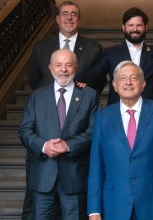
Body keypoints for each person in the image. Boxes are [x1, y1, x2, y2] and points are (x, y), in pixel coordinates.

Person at [87, 61, 153, 220]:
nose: (128, 82)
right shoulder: (102, 118)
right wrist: (94, 210)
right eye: (123, 78)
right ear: (115, 85)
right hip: (115, 203)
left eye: (134, 78)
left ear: (143, 83)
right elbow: (96, 166)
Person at [19, 49, 98, 219]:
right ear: (50, 68)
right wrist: (44, 146)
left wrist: (68, 145)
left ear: (75, 68)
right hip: (43, 177)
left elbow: (94, 131)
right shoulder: (37, 96)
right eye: (58, 65)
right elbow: (25, 130)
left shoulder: (89, 95)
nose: (63, 69)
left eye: (68, 65)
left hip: (75, 177)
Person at [86, 6, 153, 105]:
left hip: (149, 109)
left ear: (146, 27)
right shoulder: (111, 53)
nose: (135, 29)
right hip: (117, 110)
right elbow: (93, 76)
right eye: (131, 25)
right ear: (123, 27)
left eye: (139, 25)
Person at [28, 0, 103, 90]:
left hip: (80, 101)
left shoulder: (94, 49)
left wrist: (86, 92)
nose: (69, 18)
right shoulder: (40, 48)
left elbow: (99, 81)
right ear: (57, 19)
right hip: (48, 102)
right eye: (65, 14)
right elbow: (33, 80)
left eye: (74, 14)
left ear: (78, 19)